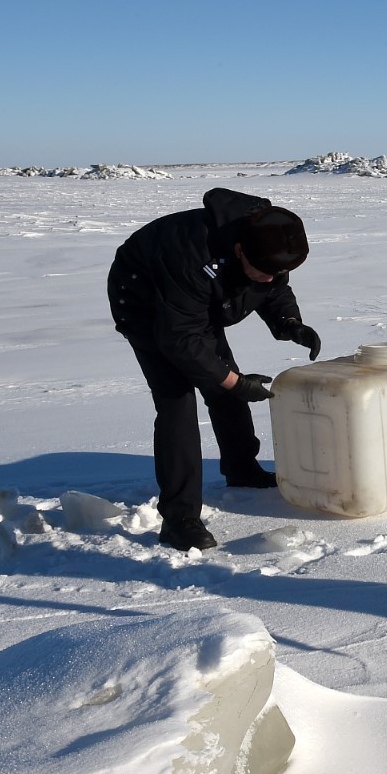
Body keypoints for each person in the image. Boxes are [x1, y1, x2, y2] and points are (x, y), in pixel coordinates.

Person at [108, 188, 321, 551]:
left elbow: (271, 285)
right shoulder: (190, 257)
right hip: (145, 301)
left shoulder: (267, 237)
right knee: (178, 403)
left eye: (278, 271)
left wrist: (290, 322)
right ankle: (179, 518)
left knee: (223, 378)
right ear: (239, 252)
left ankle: (241, 468)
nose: (272, 278)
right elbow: (181, 340)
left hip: (193, 307)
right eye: (264, 271)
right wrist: (234, 383)